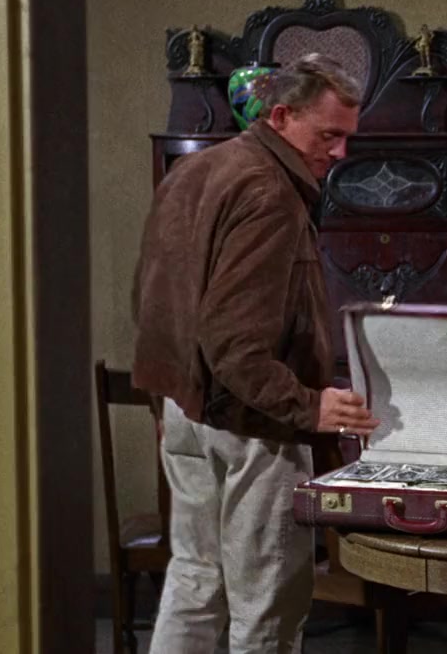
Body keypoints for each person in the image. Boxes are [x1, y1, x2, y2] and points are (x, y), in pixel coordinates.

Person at [132, 53, 380, 653]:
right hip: (252, 424)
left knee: (194, 581)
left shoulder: (195, 169)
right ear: (281, 116)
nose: (340, 152)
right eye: (329, 135)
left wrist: (168, 399)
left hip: (188, 408)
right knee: (266, 608)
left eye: (347, 137)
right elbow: (235, 342)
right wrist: (308, 407)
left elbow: (151, 295)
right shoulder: (269, 191)